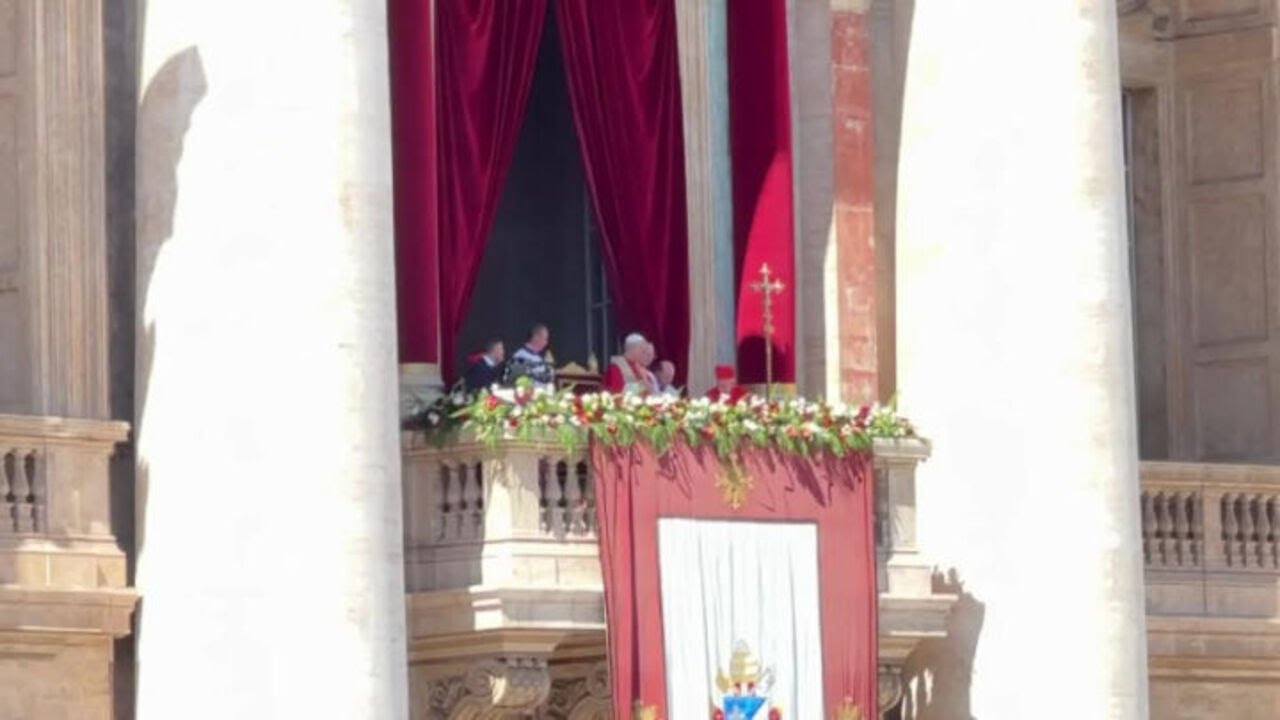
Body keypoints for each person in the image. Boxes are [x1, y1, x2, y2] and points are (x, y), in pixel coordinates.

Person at [507, 323, 555, 388]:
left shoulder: (539, 359)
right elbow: (514, 382)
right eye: (545, 339)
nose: (546, 343)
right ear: (536, 337)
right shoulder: (520, 356)